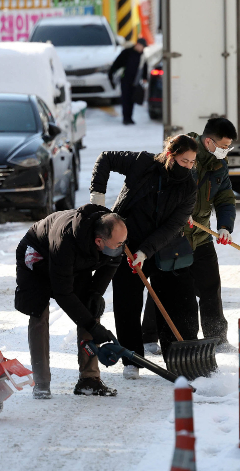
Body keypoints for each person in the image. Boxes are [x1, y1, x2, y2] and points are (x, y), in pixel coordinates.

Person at [89, 135, 198, 379]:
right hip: (126, 241)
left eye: (192, 162)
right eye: (184, 161)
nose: (188, 167)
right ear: (170, 155)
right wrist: (98, 193)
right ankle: (131, 357)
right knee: (127, 301)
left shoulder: (189, 187)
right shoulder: (142, 163)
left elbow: (173, 226)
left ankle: (174, 358)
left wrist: (145, 252)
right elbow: (105, 158)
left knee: (169, 299)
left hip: (162, 246)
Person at [142, 118, 238, 353]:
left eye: (229, 147)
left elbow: (225, 197)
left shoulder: (219, 165)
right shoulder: (182, 155)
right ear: (208, 141)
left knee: (210, 286)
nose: (226, 151)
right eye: (224, 146)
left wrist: (225, 226)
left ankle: (217, 336)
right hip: (172, 237)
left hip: (201, 236)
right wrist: (175, 213)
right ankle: (148, 336)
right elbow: (158, 190)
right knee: (164, 286)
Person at [14, 205, 127, 398]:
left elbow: (112, 263)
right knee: (38, 313)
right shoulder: (66, 241)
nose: (122, 247)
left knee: (89, 308)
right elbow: (63, 293)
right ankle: (41, 383)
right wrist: (91, 325)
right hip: (38, 254)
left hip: (74, 261)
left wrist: (95, 293)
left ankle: (89, 380)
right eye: (118, 244)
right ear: (99, 241)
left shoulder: (111, 232)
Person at [109, 38, 148, 125]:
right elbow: (117, 63)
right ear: (137, 44)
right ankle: (125, 118)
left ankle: (130, 118)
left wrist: (145, 78)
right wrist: (111, 74)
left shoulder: (142, 55)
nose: (142, 48)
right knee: (125, 99)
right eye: (142, 46)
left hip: (135, 81)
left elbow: (144, 67)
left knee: (132, 99)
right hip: (125, 80)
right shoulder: (127, 52)